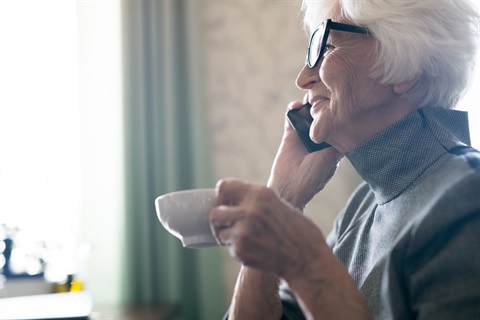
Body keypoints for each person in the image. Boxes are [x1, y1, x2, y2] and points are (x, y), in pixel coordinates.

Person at [209, 0, 480, 319]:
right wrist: (282, 196)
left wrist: (308, 264)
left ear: (409, 65)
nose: (303, 77)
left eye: (327, 46)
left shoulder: (465, 198)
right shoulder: (362, 207)